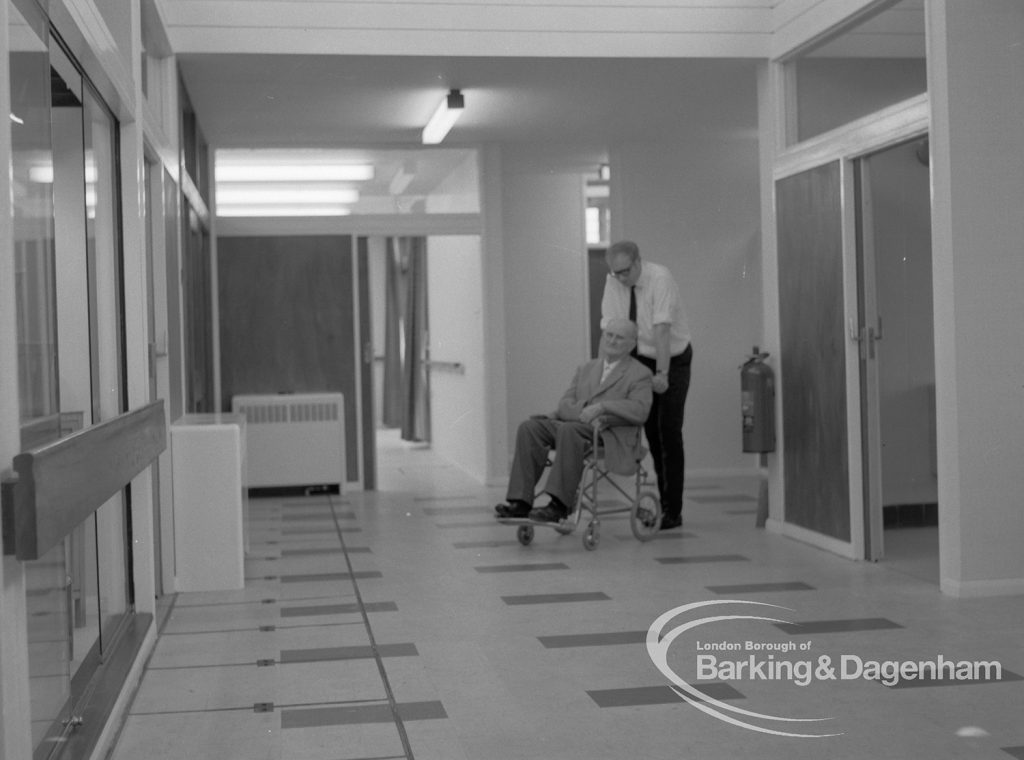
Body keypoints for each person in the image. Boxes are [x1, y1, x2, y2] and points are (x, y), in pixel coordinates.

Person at [494, 318, 652, 523]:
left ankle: (559, 505)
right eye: (609, 335)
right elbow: (564, 404)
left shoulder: (639, 374)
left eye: (619, 337)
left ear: (632, 344)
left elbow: (640, 410)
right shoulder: (586, 368)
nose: (612, 341)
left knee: (569, 431)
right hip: (578, 427)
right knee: (529, 428)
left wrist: (603, 407)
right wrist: (587, 410)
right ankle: (521, 502)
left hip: (608, 433)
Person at [600, 240, 692, 530]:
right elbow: (612, 328)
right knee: (650, 430)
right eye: (617, 274)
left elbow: (661, 329)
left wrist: (663, 374)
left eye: (626, 272)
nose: (622, 278)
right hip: (639, 357)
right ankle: (661, 503)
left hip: (672, 358)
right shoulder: (614, 282)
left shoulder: (659, 278)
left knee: (669, 430)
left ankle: (672, 510)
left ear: (639, 262)